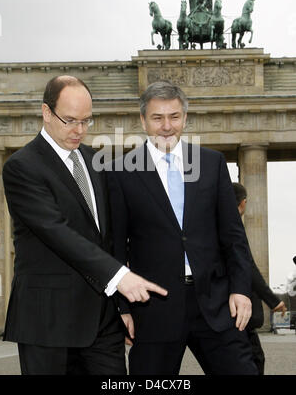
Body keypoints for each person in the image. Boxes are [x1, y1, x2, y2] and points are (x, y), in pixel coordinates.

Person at [2, 75, 167, 375]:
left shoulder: (97, 161)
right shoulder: (21, 167)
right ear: (46, 113)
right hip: (47, 323)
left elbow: (111, 237)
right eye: (70, 120)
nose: (80, 130)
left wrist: (122, 305)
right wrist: (121, 278)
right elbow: (56, 231)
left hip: (102, 322)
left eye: (87, 121)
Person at [106, 80, 258, 375]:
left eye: (174, 117)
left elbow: (233, 236)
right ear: (142, 120)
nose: (166, 126)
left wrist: (241, 289)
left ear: (185, 118)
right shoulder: (120, 171)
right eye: (157, 117)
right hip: (153, 308)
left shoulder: (211, 163)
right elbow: (114, 248)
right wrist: (121, 308)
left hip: (215, 305)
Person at [232, 182, 287, 375]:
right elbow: (249, 268)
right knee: (254, 359)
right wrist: (273, 301)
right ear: (243, 203)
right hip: (238, 308)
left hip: (220, 305)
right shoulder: (233, 226)